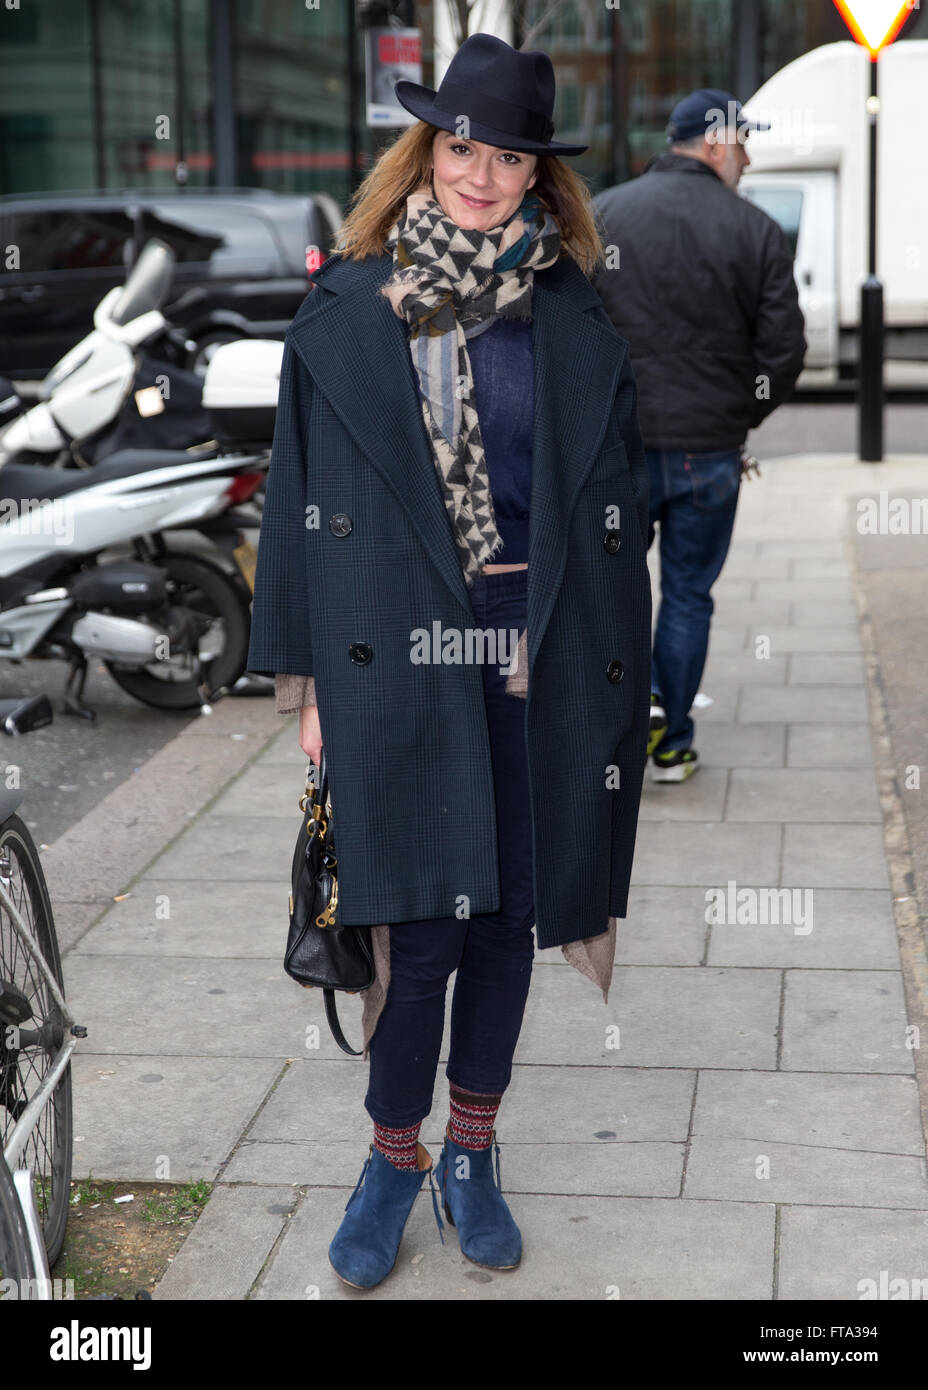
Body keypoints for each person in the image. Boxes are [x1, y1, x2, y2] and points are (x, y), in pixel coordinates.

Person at [246, 32, 652, 1290]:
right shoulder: (347, 305)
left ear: (539, 174)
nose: (481, 174)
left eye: (510, 154)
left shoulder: (574, 308)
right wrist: (308, 690)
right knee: (415, 929)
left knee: (507, 921)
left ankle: (473, 1150)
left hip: (536, 648)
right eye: (463, 146)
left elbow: (620, 495)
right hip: (398, 656)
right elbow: (299, 502)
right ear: (428, 150)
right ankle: (393, 1158)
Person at [592, 88, 806, 782]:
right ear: (715, 144)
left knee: (616, 590)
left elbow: (574, 334)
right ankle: (672, 739)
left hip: (618, 448)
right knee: (688, 593)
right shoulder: (755, 229)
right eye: (744, 142)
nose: (748, 157)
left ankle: (612, 736)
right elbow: (784, 351)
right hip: (707, 451)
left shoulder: (607, 215)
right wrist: (738, 416)